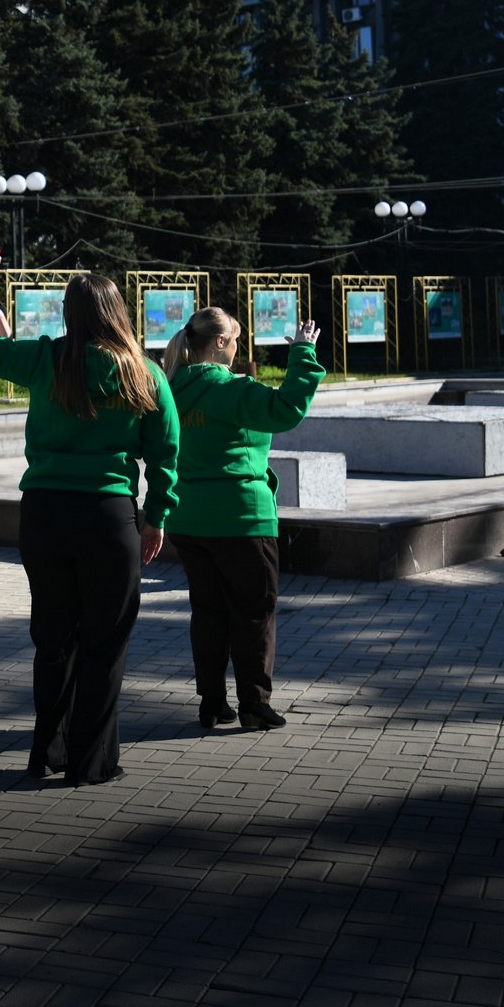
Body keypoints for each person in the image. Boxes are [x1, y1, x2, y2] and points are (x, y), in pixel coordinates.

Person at [0, 274, 178, 786]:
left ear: (69, 311)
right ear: (118, 310)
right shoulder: (143, 371)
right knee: (105, 642)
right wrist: (156, 515)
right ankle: (91, 762)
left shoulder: (45, 358)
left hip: (44, 514)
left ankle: (45, 752)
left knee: (53, 640)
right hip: (107, 516)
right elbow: (165, 454)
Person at [161, 308, 326, 732]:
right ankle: (254, 704)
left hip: (189, 518)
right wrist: (303, 353)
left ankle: (212, 702)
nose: (237, 349)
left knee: (209, 613)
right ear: (219, 343)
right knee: (253, 614)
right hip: (241, 519)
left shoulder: (173, 389)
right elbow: (286, 409)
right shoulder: (231, 389)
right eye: (234, 340)